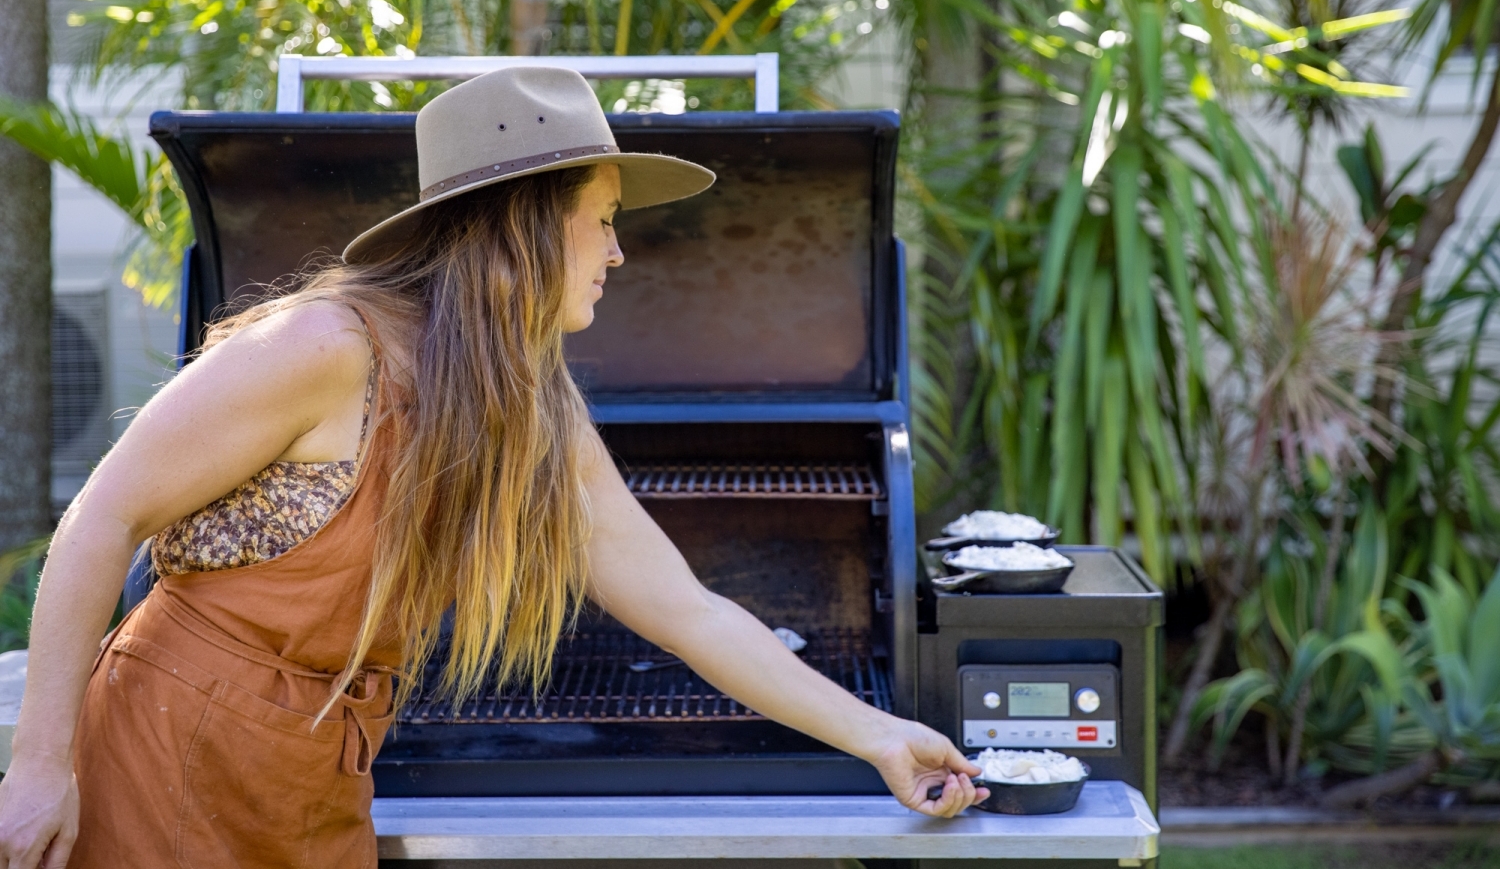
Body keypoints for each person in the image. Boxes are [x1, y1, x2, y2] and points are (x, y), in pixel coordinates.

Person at [0, 67, 986, 868]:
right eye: (603, 218)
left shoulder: (532, 407)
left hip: (316, 774)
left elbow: (688, 611)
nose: (618, 252)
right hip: (171, 746)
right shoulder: (325, 347)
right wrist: (40, 766)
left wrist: (878, 734)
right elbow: (102, 515)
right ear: (528, 222)